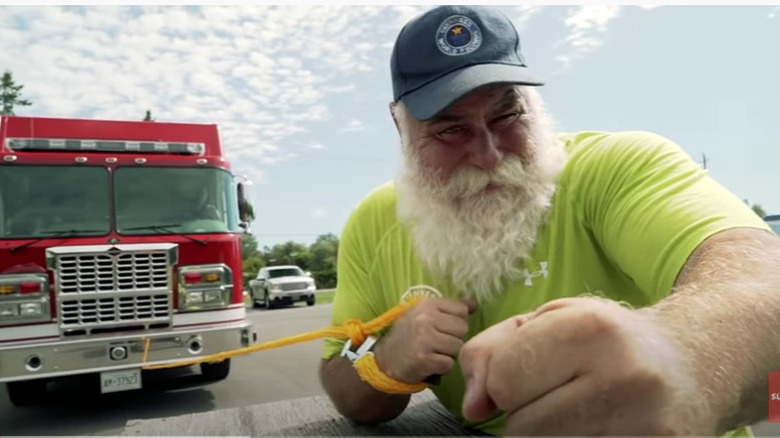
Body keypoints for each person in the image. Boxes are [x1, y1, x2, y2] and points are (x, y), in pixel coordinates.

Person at [319, 5, 780, 437]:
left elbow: (760, 277)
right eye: (450, 129)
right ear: (400, 127)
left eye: (507, 114)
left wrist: (686, 362)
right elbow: (342, 380)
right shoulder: (372, 222)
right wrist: (388, 361)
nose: (488, 155)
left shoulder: (619, 166)